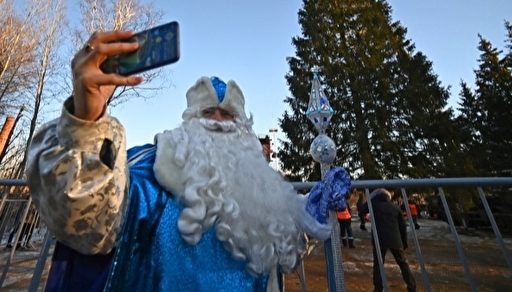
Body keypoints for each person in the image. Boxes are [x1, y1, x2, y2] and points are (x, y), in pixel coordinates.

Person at [26, 30, 351, 292]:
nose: (219, 121)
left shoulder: (258, 181)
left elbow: (278, 245)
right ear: (190, 120)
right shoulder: (151, 168)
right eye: (208, 113)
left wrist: (306, 213)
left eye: (229, 116)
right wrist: (86, 121)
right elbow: (89, 217)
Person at [365, 188, 417, 292]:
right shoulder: (395, 207)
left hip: (379, 240)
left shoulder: (374, 205)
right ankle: (412, 287)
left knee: (378, 264)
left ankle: (378, 288)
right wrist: (404, 242)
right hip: (395, 239)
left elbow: (362, 208)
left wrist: (368, 197)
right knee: (403, 264)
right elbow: (402, 226)